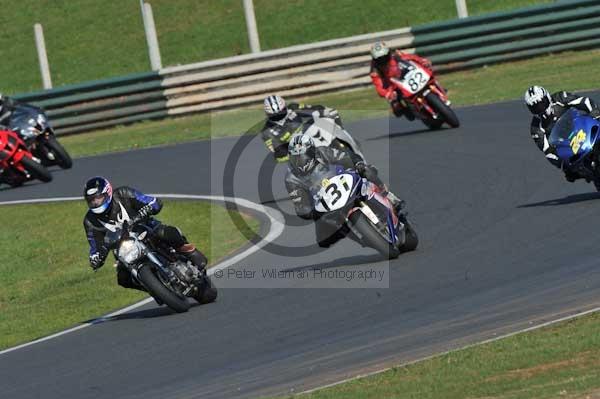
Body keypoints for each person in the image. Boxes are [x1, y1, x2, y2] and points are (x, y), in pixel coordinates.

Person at [83, 176, 207, 290]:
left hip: (145, 228)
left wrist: (146, 209)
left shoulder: (123, 194)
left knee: (164, 233)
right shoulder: (90, 221)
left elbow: (153, 202)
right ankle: (153, 288)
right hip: (123, 249)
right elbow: (95, 246)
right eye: (92, 200)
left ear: (108, 192)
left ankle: (188, 251)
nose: (95, 202)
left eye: (98, 198)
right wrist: (95, 258)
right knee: (123, 279)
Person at [284, 134, 403, 248]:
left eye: (303, 156)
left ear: (311, 151)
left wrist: (357, 164)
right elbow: (300, 205)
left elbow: (344, 157)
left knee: (366, 171)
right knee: (323, 240)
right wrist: (311, 213)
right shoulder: (291, 178)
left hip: (344, 182)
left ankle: (388, 195)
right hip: (325, 205)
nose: (300, 161)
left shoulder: (322, 152)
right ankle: (362, 236)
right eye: (295, 158)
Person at [524, 86, 600, 181]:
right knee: (572, 172)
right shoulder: (536, 128)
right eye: (535, 108)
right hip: (567, 145)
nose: (540, 109)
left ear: (547, 97)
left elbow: (584, 101)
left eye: (542, 104)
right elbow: (548, 151)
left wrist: (595, 112)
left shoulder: (560, 97)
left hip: (582, 129)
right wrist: (562, 164)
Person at [261, 94, 343, 162]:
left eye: (281, 112)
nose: (280, 117)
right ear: (268, 114)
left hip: (313, 138)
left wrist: (323, 112)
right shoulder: (267, 132)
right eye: (275, 116)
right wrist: (293, 150)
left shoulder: (293, 108)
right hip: (298, 156)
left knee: (331, 113)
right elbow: (279, 155)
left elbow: (312, 109)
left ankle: (342, 141)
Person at [369, 41, 433, 119]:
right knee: (396, 107)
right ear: (374, 59)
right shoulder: (374, 70)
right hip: (391, 84)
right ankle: (410, 111)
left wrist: (422, 61)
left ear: (389, 52)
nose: (383, 60)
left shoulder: (395, 54)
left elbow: (411, 57)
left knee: (428, 71)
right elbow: (379, 86)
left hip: (406, 73)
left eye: (384, 56)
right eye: (379, 59)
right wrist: (388, 94)